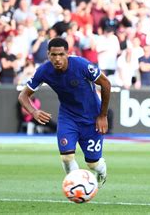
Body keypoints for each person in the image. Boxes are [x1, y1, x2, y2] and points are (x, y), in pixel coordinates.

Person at [18, 38, 111, 187]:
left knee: (92, 164)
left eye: (61, 54)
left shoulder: (81, 65)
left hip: (92, 118)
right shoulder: (44, 71)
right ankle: (76, 187)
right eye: (53, 55)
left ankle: (101, 171)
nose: (57, 59)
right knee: (67, 157)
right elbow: (23, 95)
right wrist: (34, 112)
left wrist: (102, 115)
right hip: (68, 117)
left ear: (67, 53)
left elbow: (106, 83)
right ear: (48, 54)